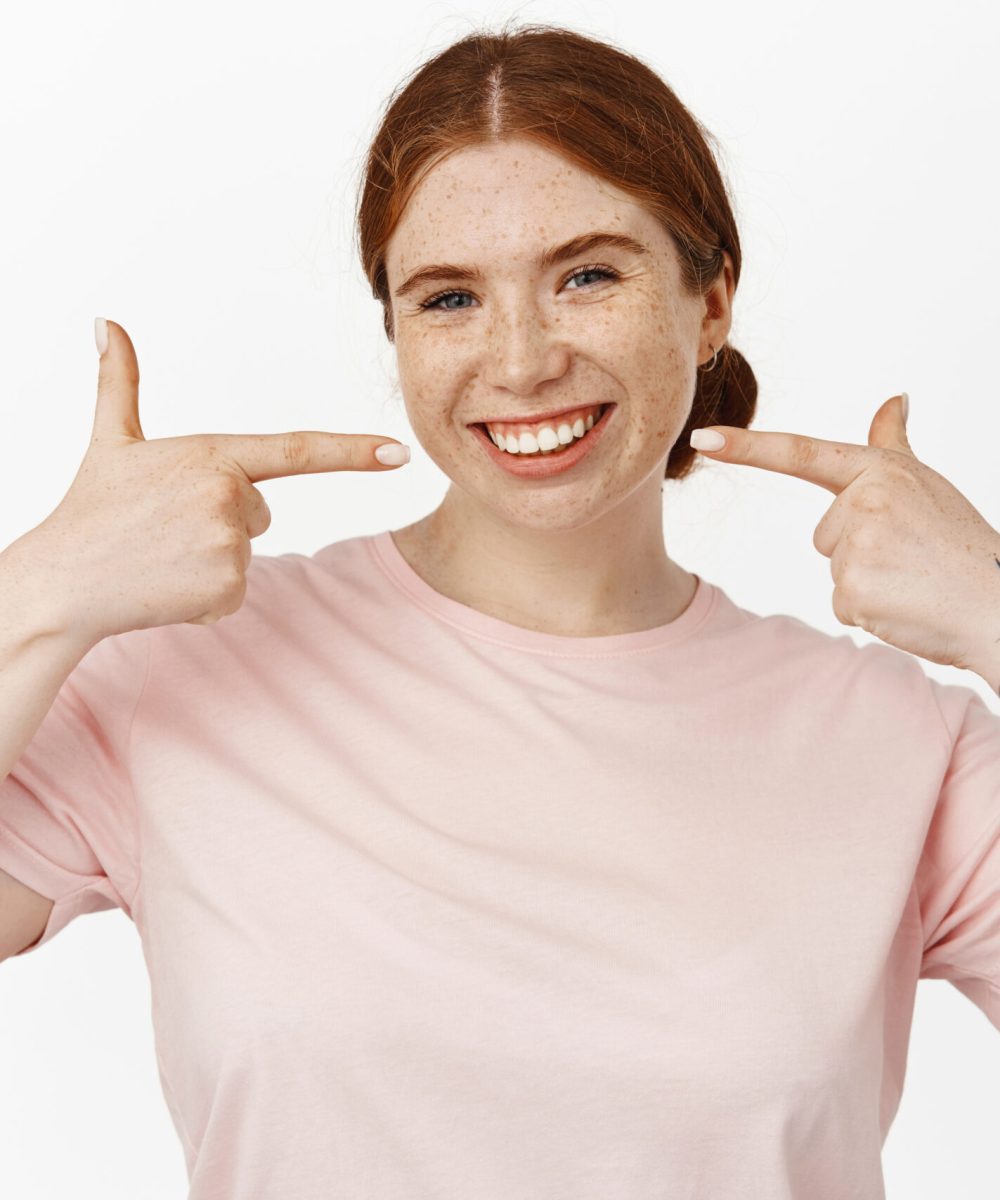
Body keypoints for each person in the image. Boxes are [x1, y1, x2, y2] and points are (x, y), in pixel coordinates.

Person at [1, 19, 999, 1199]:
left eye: (587, 275)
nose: (520, 362)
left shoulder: (903, 742)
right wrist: (41, 591)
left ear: (710, 302)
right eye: (449, 298)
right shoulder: (179, 677)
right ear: (395, 333)